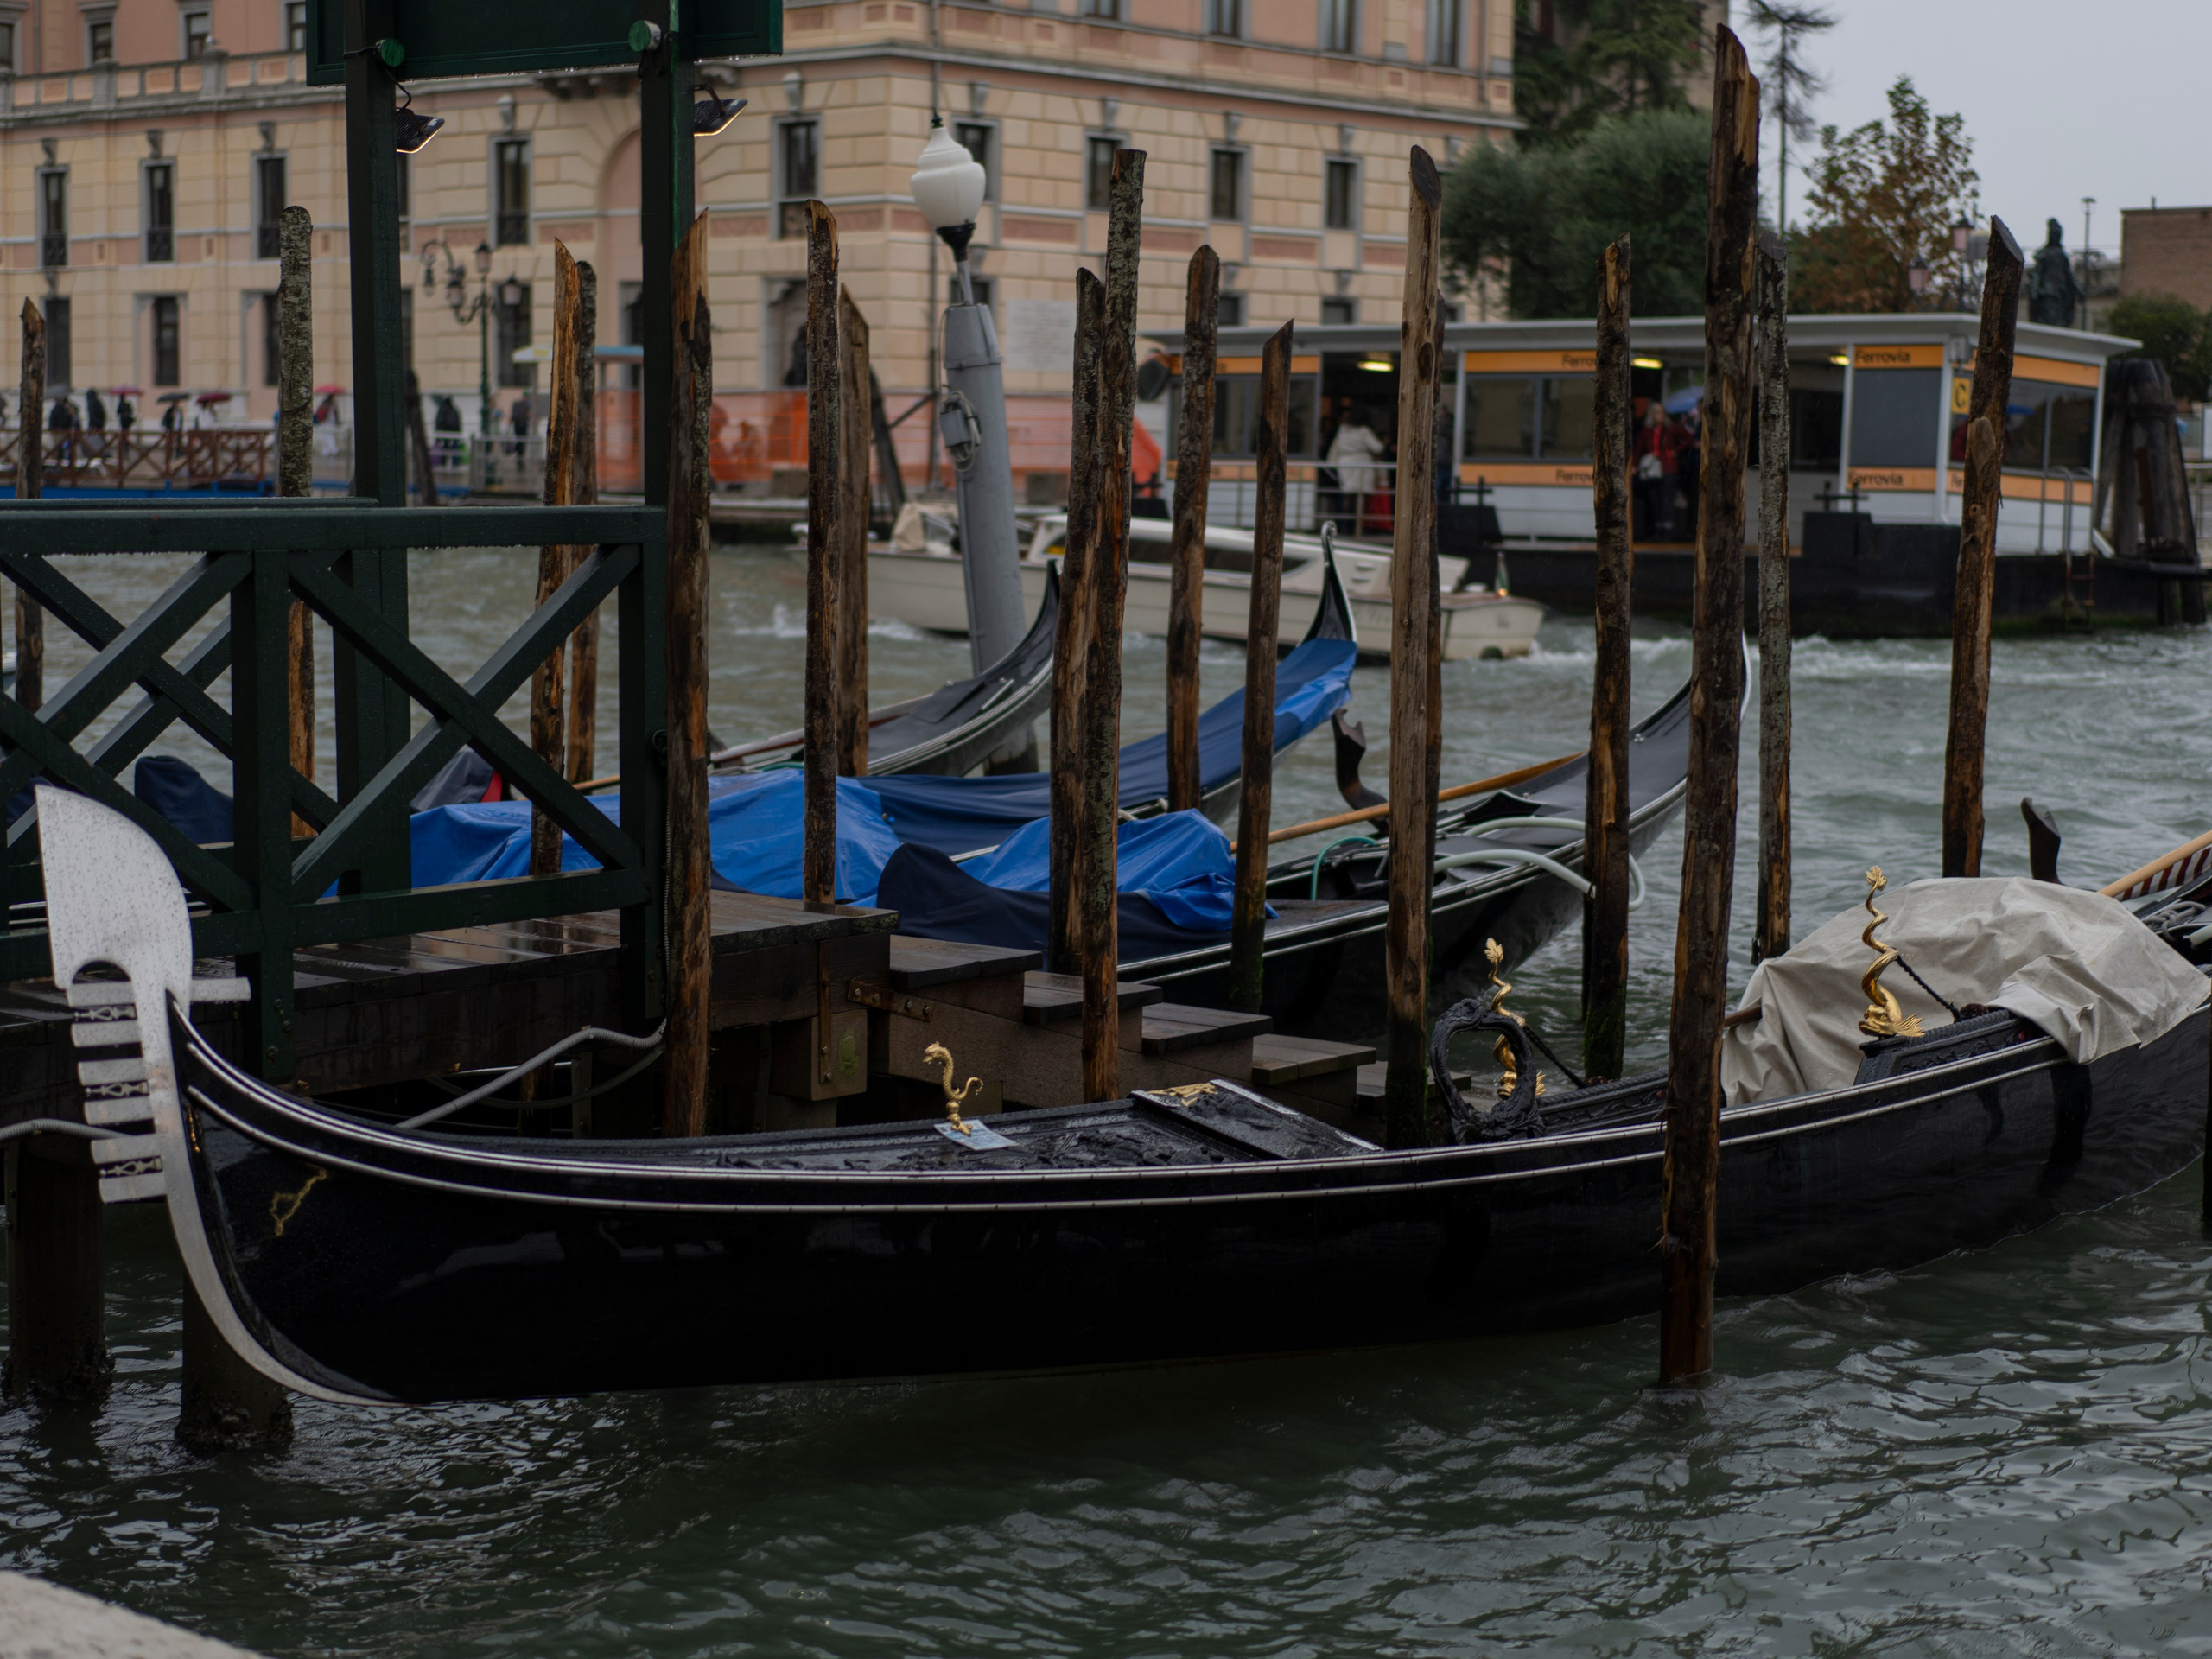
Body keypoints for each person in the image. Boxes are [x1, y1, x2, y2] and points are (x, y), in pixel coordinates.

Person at [1325, 409, 1387, 535]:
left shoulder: (1342, 431)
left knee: (1347, 495)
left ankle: (1343, 527)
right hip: (1361, 465)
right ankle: (1356, 529)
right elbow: (1378, 447)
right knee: (1360, 498)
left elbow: (1335, 448)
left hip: (1345, 464)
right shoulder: (1363, 431)